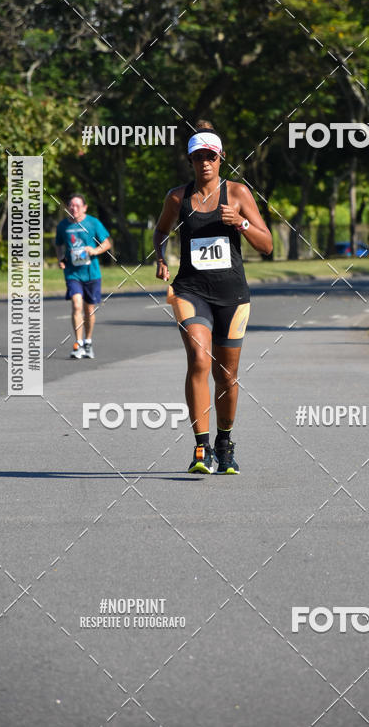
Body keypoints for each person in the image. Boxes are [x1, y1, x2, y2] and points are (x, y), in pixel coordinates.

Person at [153, 123, 273, 474]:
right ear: (190, 160)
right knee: (199, 360)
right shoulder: (177, 197)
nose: (205, 162)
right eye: (198, 157)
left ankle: (225, 442)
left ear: (221, 158)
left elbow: (267, 246)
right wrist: (160, 257)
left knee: (227, 375)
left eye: (210, 156)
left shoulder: (237, 193)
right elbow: (161, 230)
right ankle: (201, 447)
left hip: (232, 295)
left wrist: (241, 223)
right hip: (190, 290)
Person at [55, 193, 111, 359]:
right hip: (73, 273)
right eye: (71, 205)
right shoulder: (63, 226)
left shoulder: (93, 223)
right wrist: (60, 259)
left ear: (85, 207)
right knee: (76, 304)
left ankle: (88, 341)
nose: (74, 208)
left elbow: (107, 243)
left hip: (91, 273)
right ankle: (78, 344)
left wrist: (95, 250)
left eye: (78, 205)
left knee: (89, 309)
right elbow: (58, 245)